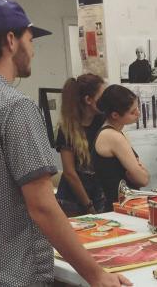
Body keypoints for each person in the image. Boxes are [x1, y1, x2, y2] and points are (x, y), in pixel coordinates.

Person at [0, 0, 132, 286]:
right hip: (8, 277)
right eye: (30, 39)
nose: (32, 50)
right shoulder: (14, 107)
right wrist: (96, 275)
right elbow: (42, 205)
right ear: (11, 40)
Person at [55, 74, 106, 217]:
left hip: (98, 194)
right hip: (72, 200)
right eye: (102, 96)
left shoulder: (102, 121)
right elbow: (70, 173)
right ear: (88, 100)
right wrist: (88, 205)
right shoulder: (67, 128)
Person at [94, 84, 150, 210]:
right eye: (132, 111)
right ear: (115, 115)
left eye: (137, 107)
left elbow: (143, 176)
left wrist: (140, 172)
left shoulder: (118, 133)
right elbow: (143, 179)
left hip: (123, 204)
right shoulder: (113, 136)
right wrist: (139, 171)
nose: (138, 113)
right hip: (118, 206)